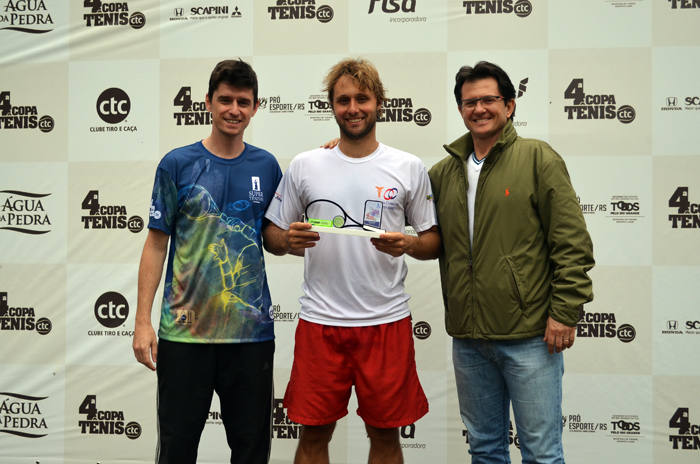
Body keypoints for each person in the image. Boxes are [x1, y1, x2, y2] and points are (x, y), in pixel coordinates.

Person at [263, 58, 440, 464]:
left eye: (362, 98)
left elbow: (432, 240)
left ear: (380, 103)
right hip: (320, 324)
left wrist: (408, 245)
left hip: (386, 323)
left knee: (385, 439)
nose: (353, 108)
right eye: (343, 100)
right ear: (332, 106)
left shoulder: (408, 166)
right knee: (312, 438)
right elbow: (271, 235)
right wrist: (287, 240)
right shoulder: (307, 164)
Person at [428, 61, 594, 464]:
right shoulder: (442, 172)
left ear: (510, 105)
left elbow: (572, 243)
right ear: (460, 108)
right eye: (470, 102)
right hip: (469, 341)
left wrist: (565, 313)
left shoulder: (538, 158)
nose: (479, 109)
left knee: (541, 453)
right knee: (485, 451)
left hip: (531, 338)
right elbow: (388, 189)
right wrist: (341, 149)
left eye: (489, 100)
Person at [132, 59, 282, 464]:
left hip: (250, 338)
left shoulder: (267, 166)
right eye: (226, 100)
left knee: (251, 453)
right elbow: (155, 243)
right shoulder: (176, 164)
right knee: (177, 452)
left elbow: (276, 234)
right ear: (208, 103)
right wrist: (143, 321)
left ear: (256, 107)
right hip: (184, 339)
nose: (235, 109)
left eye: (244, 102)